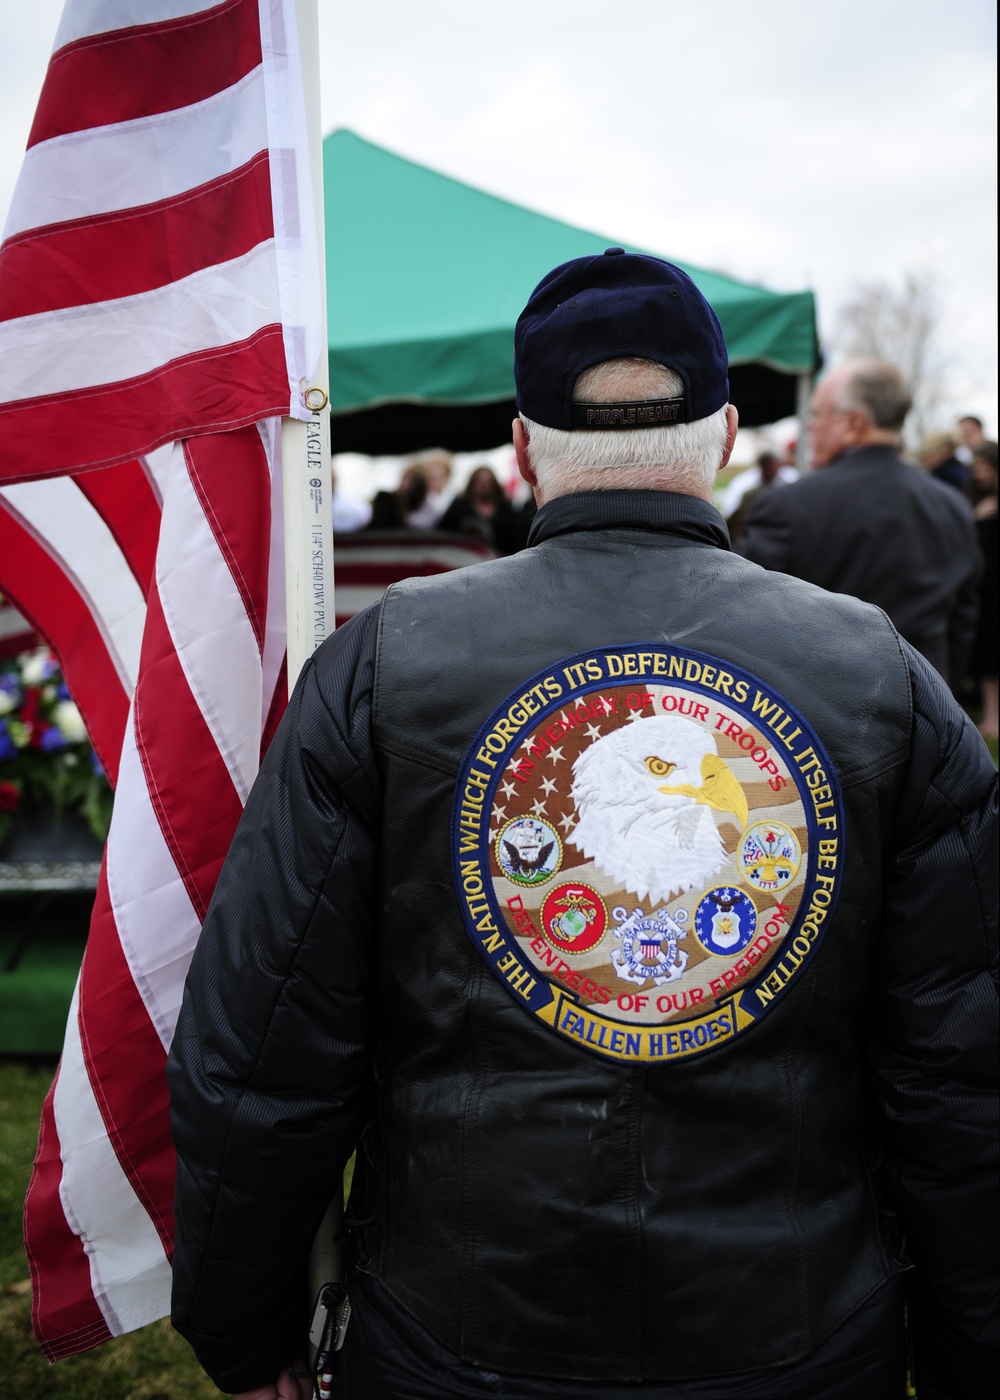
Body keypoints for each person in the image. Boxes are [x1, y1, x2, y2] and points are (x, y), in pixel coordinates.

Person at [168, 251, 998, 1400]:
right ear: (720, 437)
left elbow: (263, 1052)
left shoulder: (382, 663)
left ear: (518, 448)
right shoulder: (879, 672)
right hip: (793, 1339)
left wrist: (242, 1322)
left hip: (458, 1339)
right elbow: (962, 1069)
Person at [737, 361, 981, 688]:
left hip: (818, 712)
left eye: (817, 415)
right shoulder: (952, 505)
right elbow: (962, 619)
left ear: (853, 423)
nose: (809, 427)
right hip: (924, 707)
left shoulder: (790, 505)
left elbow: (745, 613)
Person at [968, 441, 999, 738]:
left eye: (985, 467)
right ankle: (992, 716)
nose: (979, 473)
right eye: (977, 467)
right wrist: (975, 517)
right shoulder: (977, 503)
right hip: (987, 590)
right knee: (988, 658)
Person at [438, 463, 529, 554]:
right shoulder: (459, 506)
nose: (484, 485)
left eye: (488, 482)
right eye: (479, 481)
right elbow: (444, 533)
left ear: (494, 485)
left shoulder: (505, 508)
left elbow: (515, 538)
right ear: (472, 483)